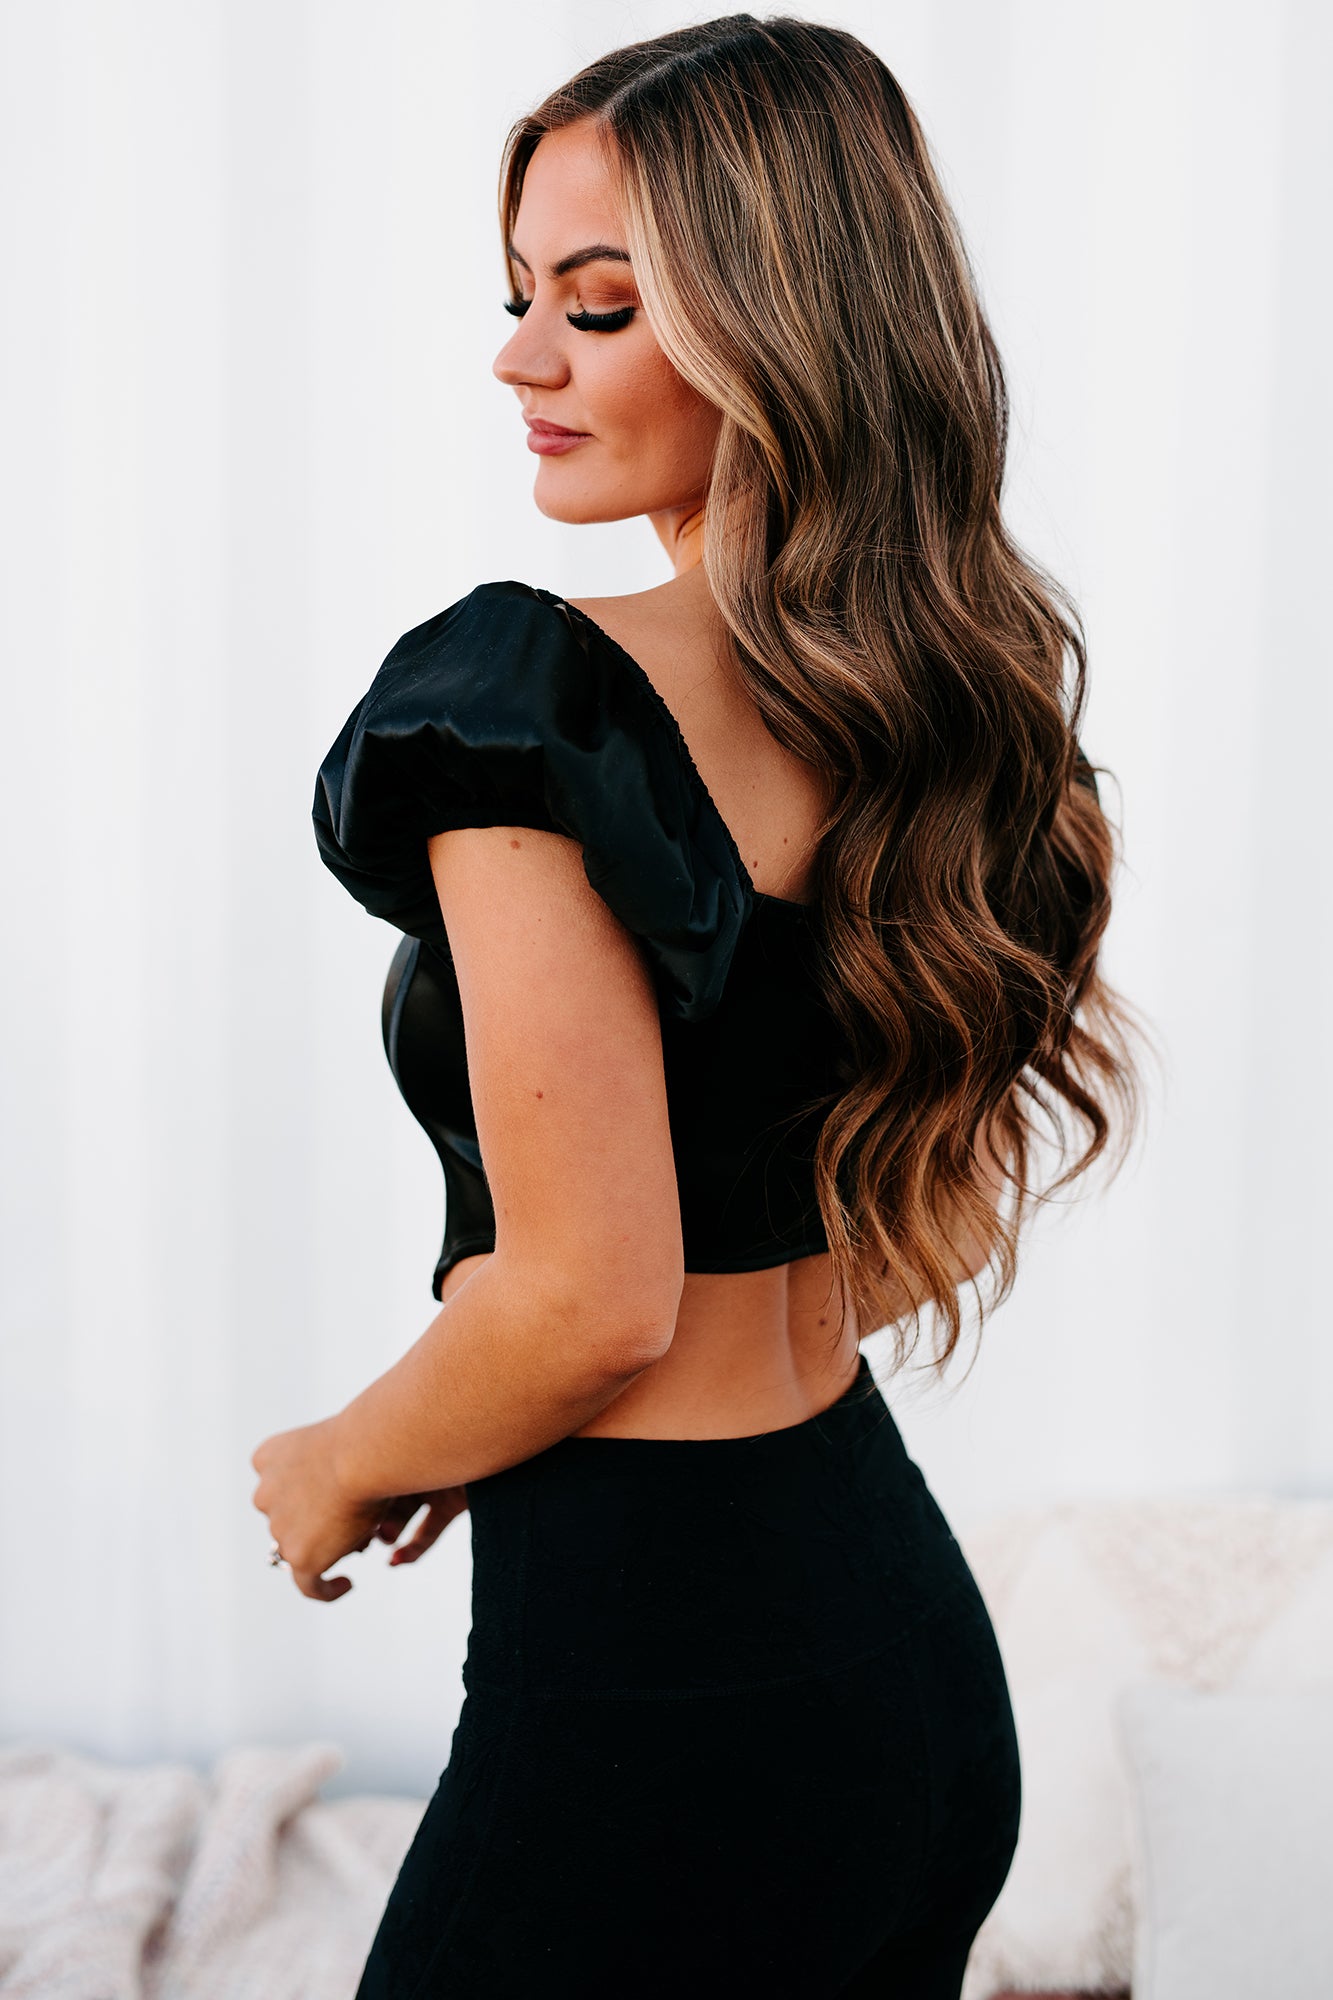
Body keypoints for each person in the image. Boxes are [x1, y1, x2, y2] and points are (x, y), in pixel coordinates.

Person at [250, 14, 1140, 1996]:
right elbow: (889, 1212)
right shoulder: (936, 702)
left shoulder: (526, 706)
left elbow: (592, 1300)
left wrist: (346, 1455)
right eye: (516, 297)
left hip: (661, 1694)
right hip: (896, 1653)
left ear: (781, 326)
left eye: (598, 304)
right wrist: (482, 1417)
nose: (520, 359)